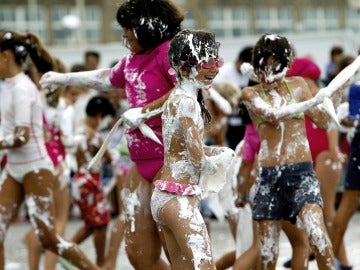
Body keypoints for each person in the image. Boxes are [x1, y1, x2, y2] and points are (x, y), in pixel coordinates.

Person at [39, 1, 185, 269]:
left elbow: (189, 90)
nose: (124, 36)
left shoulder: (168, 51)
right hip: (139, 164)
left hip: (171, 162)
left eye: (128, 29)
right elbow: (108, 78)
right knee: (139, 255)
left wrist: (145, 110)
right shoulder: (131, 59)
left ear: (147, 28)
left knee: (176, 250)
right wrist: (63, 78)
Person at [240, 33, 350, 270]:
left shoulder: (299, 86)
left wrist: (336, 93)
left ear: (287, 65)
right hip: (269, 179)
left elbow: (322, 121)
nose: (268, 77)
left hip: (301, 175)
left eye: (274, 69)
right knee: (268, 253)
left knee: (318, 235)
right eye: (262, 70)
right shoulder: (250, 94)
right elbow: (272, 115)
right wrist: (310, 102)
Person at [0, 30, 100, 270]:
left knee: (50, 237)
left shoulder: (23, 88)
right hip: (15, 168)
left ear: (5, 56)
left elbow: (22, 137)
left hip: (37, 168)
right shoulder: (9, 86)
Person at [150, 28, 234, 269]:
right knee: (204, 265)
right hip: (178, 198)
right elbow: (198, 159)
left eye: (217, 60)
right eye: (207, 61)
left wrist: (217, 153)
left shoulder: (177, 97)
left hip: (165, 195)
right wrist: (225, 156)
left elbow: (187, 152)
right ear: (185, 68)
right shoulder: (187, 103)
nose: (215, 68)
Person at [69, 95, 116, 267]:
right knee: (101, 223)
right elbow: (109, 159)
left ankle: (66, 251)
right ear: (99, 115)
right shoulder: (94, 136)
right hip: (91, 183)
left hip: (80, 182)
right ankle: (100, 263)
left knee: (92, 224)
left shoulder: (79, 130)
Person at [331, 71, 360, 270]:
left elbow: (352, 118)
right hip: (359, 148)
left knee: (347, 206)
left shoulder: (357, 87)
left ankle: (331, 260)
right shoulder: (357, 87)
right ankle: (331, 260)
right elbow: (351, 118)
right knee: (347, 205)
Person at [213, 46, 254, 149]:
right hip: (227, 120)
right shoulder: (223, 72)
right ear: (239, 61)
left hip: (243, 121)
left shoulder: (250, 74)